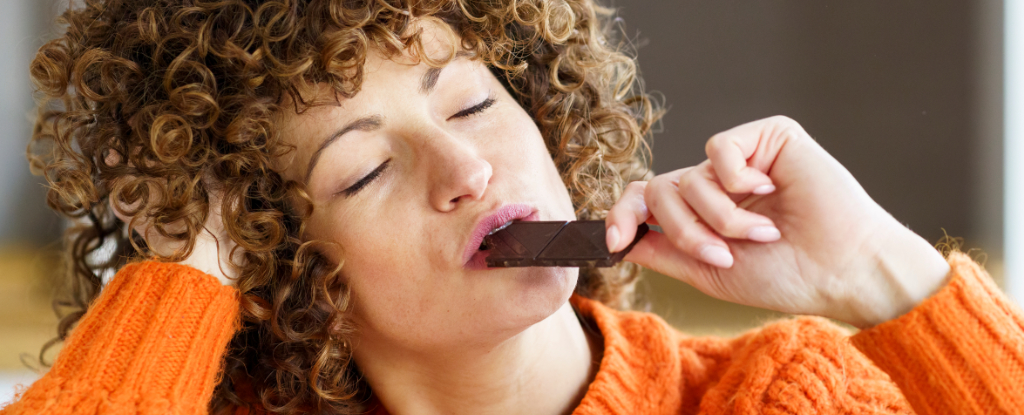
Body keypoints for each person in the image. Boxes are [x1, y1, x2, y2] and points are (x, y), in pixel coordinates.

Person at [2, 0, 1022, 414]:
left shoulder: (768, 399)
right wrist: (189, 276)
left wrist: (883, 278)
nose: (463, 167)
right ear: (277, 266)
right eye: (364, 172)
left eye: (476, 101)